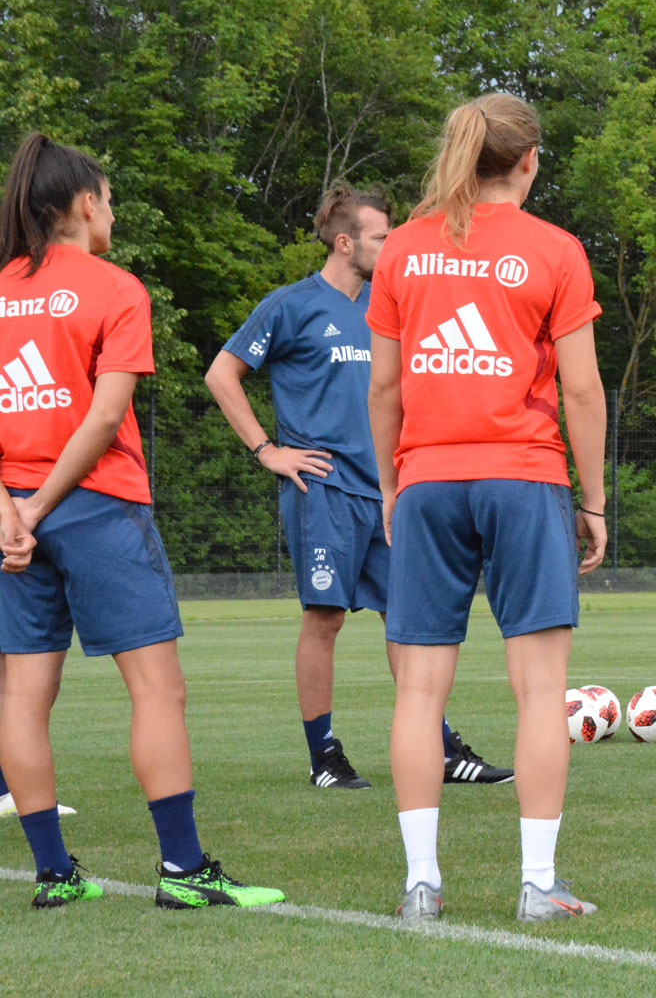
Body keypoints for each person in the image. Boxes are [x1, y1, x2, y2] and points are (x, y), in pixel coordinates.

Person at [0, 132, 282, 909]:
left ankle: (56, 876)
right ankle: (184, 872)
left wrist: (12, 514)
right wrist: (43, 505)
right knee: (158, 691)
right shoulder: (115, 288)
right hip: (94, 504)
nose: (113, 214)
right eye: (111, 200)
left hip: (14, 521)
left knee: (21, 698)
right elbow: (102, 419)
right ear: (85, 204)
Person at [367, 93, 606, 922]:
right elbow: (580, 387)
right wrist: (596, 500)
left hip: (429, 480)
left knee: (419, 693)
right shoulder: (556, 250)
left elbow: (386, 385)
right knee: (540, 691)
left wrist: (394, 486)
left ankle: (420, 885)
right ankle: (537, 885)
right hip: (524, 476)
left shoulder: (401, 248)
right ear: (531, 160)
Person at [205, 182, 512, 791]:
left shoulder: (389, 305)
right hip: (323, 489)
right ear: (345, 242)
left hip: (390, 491)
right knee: (325, 619)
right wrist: (268, 450)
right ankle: (324, 755)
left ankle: (440, 748)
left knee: (407, 620)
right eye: (381, 236)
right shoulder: (291, 305)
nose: (392, 245)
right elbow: (222, 373)